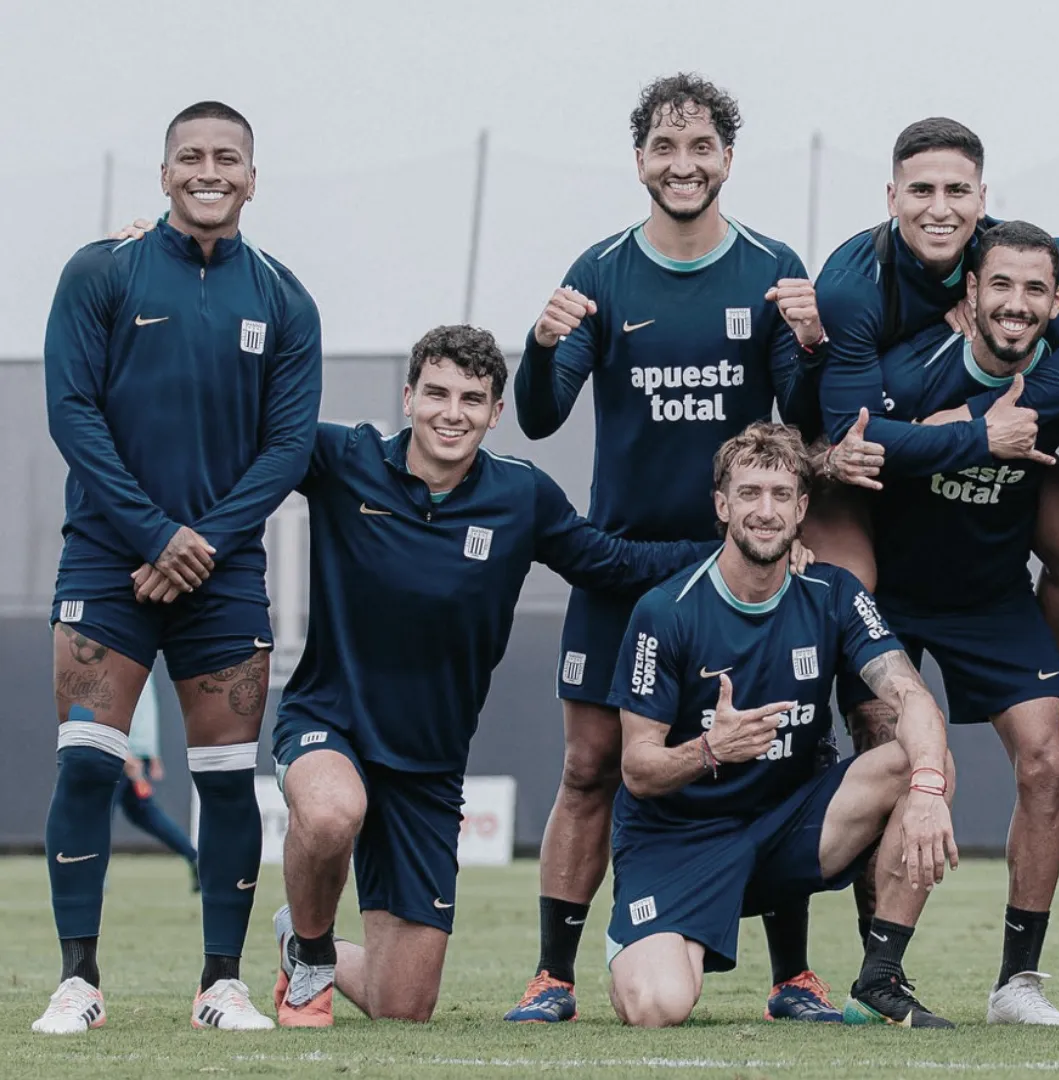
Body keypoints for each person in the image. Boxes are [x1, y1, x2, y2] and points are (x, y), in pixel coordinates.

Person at [264, 325, 719, 1027]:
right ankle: (315, 957)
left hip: (429, 763)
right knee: (330, 814)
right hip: (332, 721)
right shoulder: (341, 457)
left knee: (404, 1006)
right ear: (408, 395)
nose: (453, 412)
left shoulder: (521, 496)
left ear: (496, 412)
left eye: (472, 399)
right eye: (438, 393)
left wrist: (734, 551)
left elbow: (611, 564)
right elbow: (243, 426)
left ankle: (299, 940)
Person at [509, 73, 836, 1024]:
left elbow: (804, 425)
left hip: (738, 573)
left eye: (701, 149)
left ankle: (794, 977)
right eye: (664, 147)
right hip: (624, 568)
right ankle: (553, 974)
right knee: (587, 768)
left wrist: (810, 347)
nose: (682, 165)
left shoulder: (771, 265)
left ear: (727, 159)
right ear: (640, 157)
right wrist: (538, 344)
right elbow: (538, 415)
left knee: (775, 762)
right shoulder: (602, 270)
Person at [836, 222, 1059, 1027]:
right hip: (898, 600)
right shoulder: (911, 371)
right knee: (901, 770)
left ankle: (1016, 984)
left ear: (1058, 302)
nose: (1016, 305)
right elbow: (848, 440)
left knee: (1046, 763)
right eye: (1001, 286)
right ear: (969, 296)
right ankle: (880, 974)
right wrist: (962, 434)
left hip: (991, 602)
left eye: (1034, 291)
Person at [35, 100, 322, 1035]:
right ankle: (78, 983)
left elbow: (286, 450)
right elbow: (72, 413)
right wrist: (156, 534)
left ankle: (221, 985)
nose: (210, 170)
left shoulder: (285, 296)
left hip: (223, 574)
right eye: (191, 157)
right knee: (87, 770)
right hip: (107, 562)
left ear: (252, 175)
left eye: (227, 158)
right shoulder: (100, 271)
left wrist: (195, 543)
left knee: (229, 778)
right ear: (164, 174)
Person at [810, 117, 1059, 824]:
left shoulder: (1007, 259)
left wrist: (1002, 417)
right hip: (849, 467)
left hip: (979, 450)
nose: (940, 207)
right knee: (851, 582)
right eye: (921, 190)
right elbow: (854, 441)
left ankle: (1052, 720)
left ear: (983, 198)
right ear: (891, 196)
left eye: (958, 190)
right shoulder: (854, 285)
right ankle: (819, 738)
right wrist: (980, 434)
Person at [605, 422, 959, 1028]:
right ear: (722, 505)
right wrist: (711, 750)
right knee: (657, 1007)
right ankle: (643, 943)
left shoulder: (833, 592)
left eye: (779, 495)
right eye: (748, 494)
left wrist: (928, 790)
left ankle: (879, 979)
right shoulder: (666, 611)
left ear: (801, 509)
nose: (764, 511)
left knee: (922, 756)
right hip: (678, 843)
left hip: (785, 834)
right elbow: (637, 768)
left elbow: (910, 694)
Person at [116, 672, 199, 886]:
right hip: (134, 750)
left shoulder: (120, 656)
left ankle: (92, 875)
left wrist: (126, 754)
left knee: (98, 813)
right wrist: (150, 752)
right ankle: (195, 857)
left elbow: (116, 705)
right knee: (143, 813)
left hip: (121, 751)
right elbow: (146, 709)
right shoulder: (142, 660)